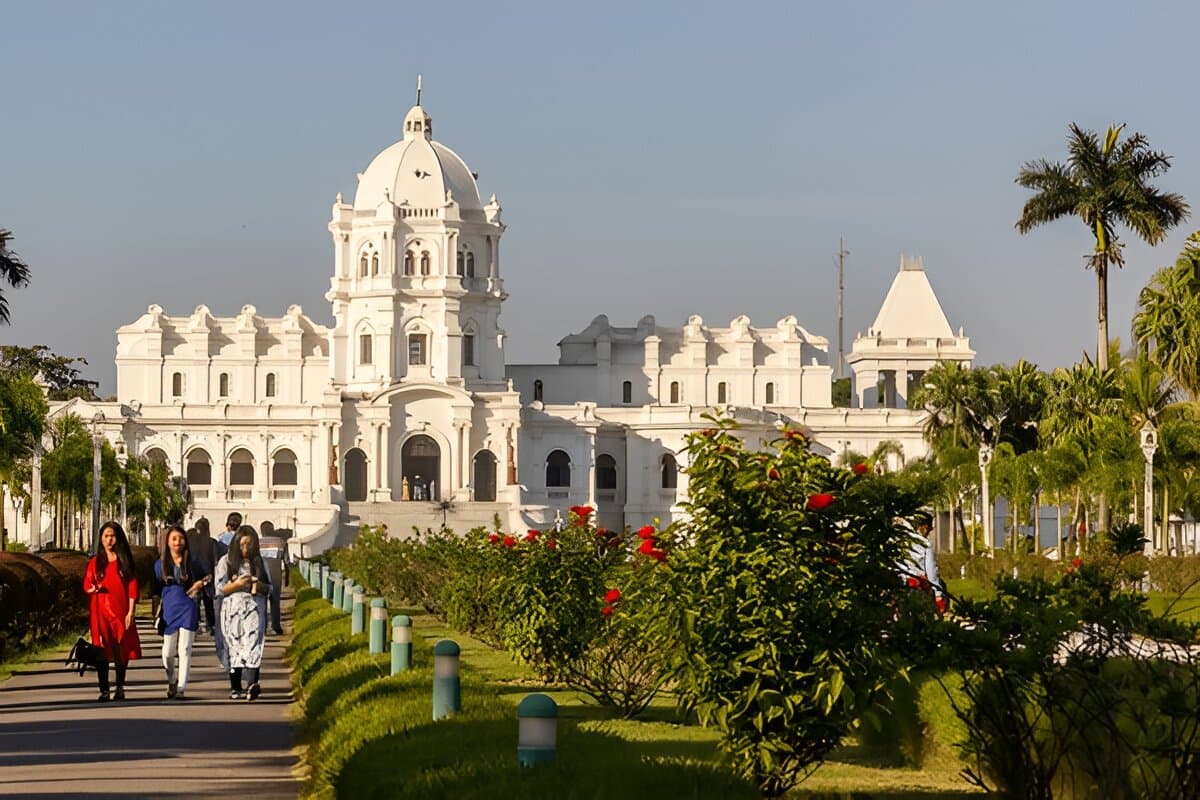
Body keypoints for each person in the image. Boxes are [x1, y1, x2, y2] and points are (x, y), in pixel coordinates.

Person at [83, 521, 142, 702]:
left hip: (120, 611)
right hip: (100, 612)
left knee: (120, 648)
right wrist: (93, 589)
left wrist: (130, 611)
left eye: (112, 536)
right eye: (106, 536)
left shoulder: (124, 561)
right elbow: (87, 583)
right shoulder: (95, 562)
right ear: (101, 539)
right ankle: (104, 690)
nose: (109, 540)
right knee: (101, 648)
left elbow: (132, 586)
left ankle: (120, 686)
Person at [215, 525, 271, 700]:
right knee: (235, 645)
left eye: (249, 544)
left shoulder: (259, 562)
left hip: (254, 607)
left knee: (253, 644)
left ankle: (252, 684)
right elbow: (219, 588)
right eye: (242, 545)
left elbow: (270, 587)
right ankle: (236, 686)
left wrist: (258, 585)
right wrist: (238, 585)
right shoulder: (226, 562)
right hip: (232, 608)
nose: (246, 549)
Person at [154, 524, 209, 699]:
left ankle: (181, 687)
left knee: (185, 649)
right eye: (174, 539)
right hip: (169, 609)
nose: (178, 542)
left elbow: (208, 575)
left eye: (181, 538)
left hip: (188, 606)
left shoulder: (192, 561)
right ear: (167, 542)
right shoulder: (160, 564)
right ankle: (172, 680)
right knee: (168, 651)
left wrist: (199, 584)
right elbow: (156, 589)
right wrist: (156, 612)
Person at [187, 517, 217, 632]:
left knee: (195, 599)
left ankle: (196, 622)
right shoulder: (211, 542)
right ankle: (211, 625)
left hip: (193, 572)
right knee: (208, 599)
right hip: (207, 573)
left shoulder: (190, 541)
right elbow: (215, 560)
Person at [258, 527, 288, 635]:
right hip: (276, 571)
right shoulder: (281, 542)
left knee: (262, 600)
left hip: (261, 572)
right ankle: (276, 626)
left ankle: (263, 627)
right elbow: (286, 561)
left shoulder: (258, 543)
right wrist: (287, 577)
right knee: (275, 601)